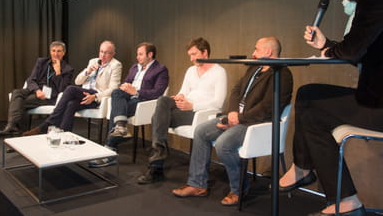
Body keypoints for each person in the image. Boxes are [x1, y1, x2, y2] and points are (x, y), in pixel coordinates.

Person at [278, 0, 383, 215]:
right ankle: (338, 196)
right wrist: (326, 45)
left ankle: (307, 170)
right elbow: (363, 48)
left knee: (309, 99)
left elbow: (352, 50)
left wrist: (330, 49)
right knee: (311, 101)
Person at [172, 37, 293, 206]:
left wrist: (240, 118)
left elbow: (268, 108)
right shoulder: (254, 68)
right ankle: (197, 185)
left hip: (256, 124)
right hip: (237, 118)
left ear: (268, 52)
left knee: (223, 144)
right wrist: (233, 113)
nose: (253, 53)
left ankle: (239, 189)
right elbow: (237, 90)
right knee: (201, 131)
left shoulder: (282, 74)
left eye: (256, 49)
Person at [137, 37, 228, 184]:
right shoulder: (191, 70)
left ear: (205, 52)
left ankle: (156, 165)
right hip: (184, 109)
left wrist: (193, 106)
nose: (191, 59)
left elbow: (219, 103)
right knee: (163, 101)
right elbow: (183, 91)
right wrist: (179, 97)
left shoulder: (219, 72)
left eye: (194, 54)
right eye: (190, 55)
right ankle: (157, 162)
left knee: (157, 119)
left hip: (202, 114)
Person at [89, 42, 169, 168]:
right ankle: (120, 129)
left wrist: (136, 92)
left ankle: (110, 151)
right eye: (137, 54)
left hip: (143, 101)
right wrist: (124, 87)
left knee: (116, 110)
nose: (138, 57)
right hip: (127, 98)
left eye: (141, 54)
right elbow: (125, 82)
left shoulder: (160, 69)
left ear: (150, 54)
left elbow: (158, 93)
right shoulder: (134, 67)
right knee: (116, 92)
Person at [23, 40, 122, 135]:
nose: (103, 55)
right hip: (84, 93)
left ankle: (47, 124)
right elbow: (78, 81)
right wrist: (87, 72)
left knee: (70, 89)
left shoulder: (116, 65)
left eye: (107, 53)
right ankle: (64, 134)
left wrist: (95, 96)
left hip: (96, 96)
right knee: (71, 104)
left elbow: (113, 88)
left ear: (113, 54)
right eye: (101, 52)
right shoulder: (93, 61)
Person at [0, 41, 74, 135]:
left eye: (59, 51)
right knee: (16, 92)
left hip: (50, 96)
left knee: (20, 103)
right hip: (35, 90)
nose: (56, 54)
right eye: (53, 51)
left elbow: (62, 89)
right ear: (50, 51)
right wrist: (37, 90)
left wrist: (58, 72)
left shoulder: (68, 69)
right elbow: (31, 80)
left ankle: (14, 129)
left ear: (63, 53)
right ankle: (13, 127)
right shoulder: (42, 62)